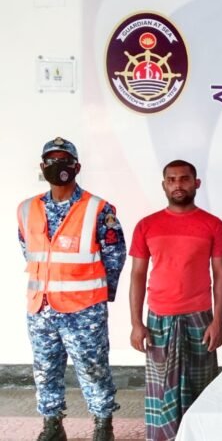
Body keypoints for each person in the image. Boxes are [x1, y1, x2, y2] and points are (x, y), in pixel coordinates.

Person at [17, 137, 125, 441]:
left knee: (93, 369)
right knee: (45, 370)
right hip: (41, 308)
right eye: (51, 160)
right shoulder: (26, 209)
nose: (58, 165)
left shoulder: (98, 208)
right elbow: (28, 251)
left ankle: (103, 425)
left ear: (77, 166)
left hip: (84, 310)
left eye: (64, 160)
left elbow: (114, 256)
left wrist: (100, 297)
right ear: (42, 166)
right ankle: (52, 425)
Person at [128, 160, 222, 441]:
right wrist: (136, 323)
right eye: (171, 180)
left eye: (184, 179)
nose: (178, 185)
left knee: (200, 390)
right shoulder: (147, 225)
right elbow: (137, 275)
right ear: (164, 185)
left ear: (196, 183)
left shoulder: (213, 225)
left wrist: (217, 321)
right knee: (161, 393)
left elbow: (221, 275)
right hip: (158, 321)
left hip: (200, 319)